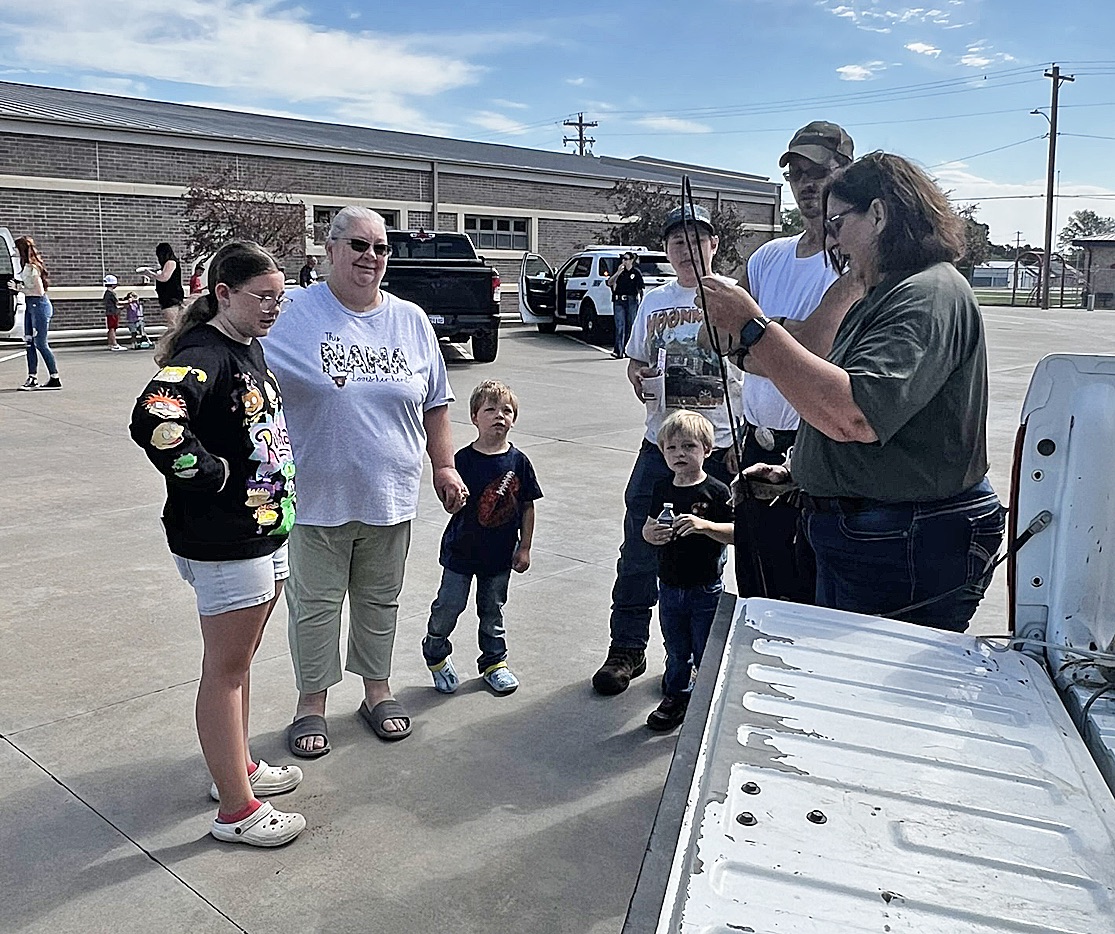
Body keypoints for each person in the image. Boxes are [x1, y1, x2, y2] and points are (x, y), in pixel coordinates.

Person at [700, 151, 1005, 632]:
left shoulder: (925, 295)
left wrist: (752, 327)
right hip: (877, 532)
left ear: (879, 215)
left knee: (870, 689)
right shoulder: (888, 292)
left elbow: (854, 415)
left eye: (839, 222)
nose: (832, 238)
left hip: (902, 540)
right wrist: (801, 471)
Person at [265, 205, 468, 757]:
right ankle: (311, 703)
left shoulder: (411, 320)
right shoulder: (293, 313)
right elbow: (236, 350)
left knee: (380, 602)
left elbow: (436, 404)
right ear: (329, 250)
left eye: (380, 248)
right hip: (314, 496)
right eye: (358, 245)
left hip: (390, 494)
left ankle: (376, 691)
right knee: (315, 605)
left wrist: (444, 465)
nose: (371, 257)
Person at [128, 240, 306, 847]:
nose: (273, 308)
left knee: (239, 664)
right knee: (225, 672)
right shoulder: (205, 355)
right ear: (224, 294)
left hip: (263, 531)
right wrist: (211, 475)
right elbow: (155, 419)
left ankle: (238, 769)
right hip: (225, 539)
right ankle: (236, 810)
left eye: (280, 298)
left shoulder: (246, 347)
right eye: (263, 297)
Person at [592, 203, 740, 696]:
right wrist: (636, 376)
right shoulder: (654, 302)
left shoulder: (737, 299)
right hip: (660, 445)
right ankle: (627, 650)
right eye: (678, 241)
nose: (687, 248)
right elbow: (635, 361)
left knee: (704, 559)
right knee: (639, 546)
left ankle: (695, 659)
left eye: (697, 239)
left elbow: (755, 373)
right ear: (667, 249)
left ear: (714, 246)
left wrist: (742, 440)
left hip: (716, 446)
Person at [729, 121, 860, 603]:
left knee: (806, 593)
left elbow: (816, 354)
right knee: (756, 586)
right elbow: (717, 328)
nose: (806, 185)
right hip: (755, 447)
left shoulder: (853, 262)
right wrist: (776, 342)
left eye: (818, 172)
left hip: (815, 453)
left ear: (846, 173)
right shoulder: (769, 256)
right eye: (796, 174)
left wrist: (758, 339)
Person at [422, 379, 542, 696]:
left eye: (507, 411)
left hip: (500, 554)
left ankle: (493, 663)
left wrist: (525, 547)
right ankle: (435, 651)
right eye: (490, 410)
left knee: (492, 612)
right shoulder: (461, 460)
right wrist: (452, 500)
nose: (499, 416)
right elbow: (449, 497)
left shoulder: (519, 462)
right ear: (475, 417)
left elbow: (528, 507)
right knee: (449, 606)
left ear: (514, 419)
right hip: (461, 552)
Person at [642, 410, 733, 731]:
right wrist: (650, 534)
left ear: (707, 450)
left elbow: (737, 533)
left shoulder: (718, 491)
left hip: (704, 586)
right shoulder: (662, 488)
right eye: (672, 448)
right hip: (668, 584)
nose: (680, 454)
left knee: (703, 645)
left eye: (689, 447)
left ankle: (706, 694)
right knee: (676, 645)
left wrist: (705, 525)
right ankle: (678, 693)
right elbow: (649, 527)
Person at [14, 236, 61, 391]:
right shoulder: (26, 267)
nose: (14, 252)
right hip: (31, 305)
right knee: (29, 342)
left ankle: (54, 377)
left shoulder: (33, 267)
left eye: (16, 249)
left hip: (39, 306)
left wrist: (19, 289)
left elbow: (39, 291)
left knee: (40, 343)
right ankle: (32, 377)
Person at [606, 251, 644, 359]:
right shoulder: (619, 272)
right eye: (623, 259)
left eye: (626, 259)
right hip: (619, 301)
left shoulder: (636, 272)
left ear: (632, 260)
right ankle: (618, 351)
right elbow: (609, 283)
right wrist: (618, 273)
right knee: (619, 326)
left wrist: (641, 302)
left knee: (631, 325)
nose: (624, 261)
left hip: (631, 301)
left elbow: (641, 289)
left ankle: (629, 350)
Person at [138, 242, 185, 327]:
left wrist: (151, 273)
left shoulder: (170, 262)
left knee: (173, 324)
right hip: (167, 298)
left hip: (171, 298)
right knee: (172, 323)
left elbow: (164, 277)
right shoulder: (169, 263)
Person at [103, 275, 126, 352]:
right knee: (113, 328)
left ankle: (110, 343)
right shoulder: (111, 293)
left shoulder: (106, 293)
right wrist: (129, 301)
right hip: (112, 313)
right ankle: (114, 344)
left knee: (111, 328)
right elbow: (117, 302)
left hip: (110, 312)